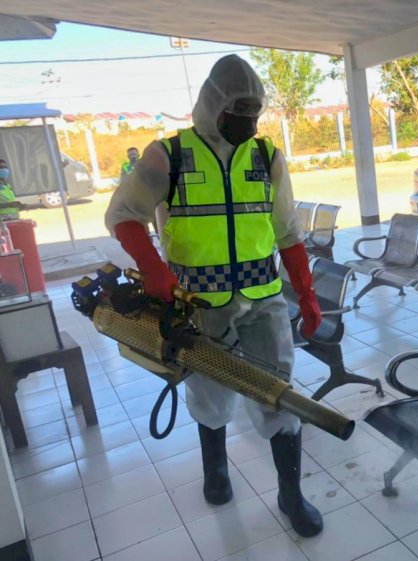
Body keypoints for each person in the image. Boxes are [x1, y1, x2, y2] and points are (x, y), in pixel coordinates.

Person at [105, 55, 324, 537]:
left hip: (263, 299)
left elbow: (288, 232)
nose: (246, 119)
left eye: (254, 110)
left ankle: (291, 494)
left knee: (279, 393)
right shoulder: (168, 155)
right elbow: (123, 214)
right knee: (209, 389)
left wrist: (306, 295)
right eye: (237, 108)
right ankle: (216, 471)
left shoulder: (267, 157)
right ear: (213, 104)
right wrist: (152, 266)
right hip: (199, 305)